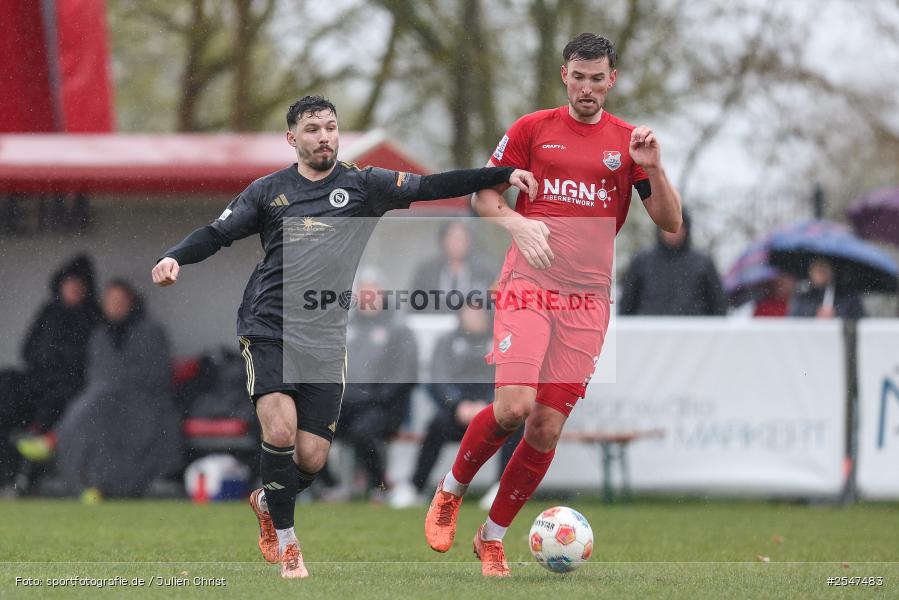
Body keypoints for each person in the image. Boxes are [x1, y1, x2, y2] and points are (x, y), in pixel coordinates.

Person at [150, 95, 538, 579]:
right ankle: (290, 547)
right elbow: (217, 232)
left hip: (326, 336)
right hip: (268, 326)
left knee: (311, 458)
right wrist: (175, 258)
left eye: (330, 127)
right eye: (312, 129)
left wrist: (495, 175)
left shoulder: (363, 184)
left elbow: (435, 185)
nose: (324, 137)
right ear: (292, 139)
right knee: (280, 432)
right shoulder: (269, 191)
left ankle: (268, 502)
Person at [423, 33, 682, 577]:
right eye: (578, 76)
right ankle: (450, 490)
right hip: (528, 287)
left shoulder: (627, 143)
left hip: (587, 303)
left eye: (597, 78)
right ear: (564, 74)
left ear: (612, 79)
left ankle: (491, 537)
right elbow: (484, 196)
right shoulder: (531, 129)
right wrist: (518, 222)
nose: (587, 87)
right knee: (514, 406)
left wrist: (654, 169)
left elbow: (670, 223)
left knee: (543, 428)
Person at [16, 280, 181, 498]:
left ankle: (53, 440)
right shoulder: (99, 336)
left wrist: (116, 386)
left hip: (144, 404)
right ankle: (92, 486)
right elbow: (96, 374)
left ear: (131, 303)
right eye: (110, 301)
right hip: (104, 405)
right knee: (96, 421)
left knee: (97, 406)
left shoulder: (149, 332)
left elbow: (157, 375)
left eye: (120, 301)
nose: (114, 306)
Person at [388, 305, 523, 509]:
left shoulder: (501, 342)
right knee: (436, 425)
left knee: (515, 424)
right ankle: (415, 486)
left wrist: (487, 405)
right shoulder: (447, 342)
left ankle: (501, 488)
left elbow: (507, 377)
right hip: (456, 414)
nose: (474, 317)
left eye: (479, 312)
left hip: (493, 411)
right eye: (469, 311)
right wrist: (458, 404)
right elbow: (438, 378)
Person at [0, 254, 100, 492]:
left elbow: (88, 362)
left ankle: (27, 479)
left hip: (69, 391)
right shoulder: (48, 312)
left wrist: (58, 362)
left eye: (79, 285)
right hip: (37, 385)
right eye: (69, 284)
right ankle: (7, 473)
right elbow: (28, 351)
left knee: (53, 411)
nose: (73, 290)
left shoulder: (93, 317)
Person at [329, 272, 418, 500]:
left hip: (384, 406)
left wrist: (373, 397)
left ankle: (377, 485)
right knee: (313, 427)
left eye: (373, 292)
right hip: (347, 405)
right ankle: (330, 485)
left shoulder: (398, 329)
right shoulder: (345, 326)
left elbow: (405, 375)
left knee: (364, 431)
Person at [618, 207, 727, 316]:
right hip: (649, 330)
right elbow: (626, 305)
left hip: (693, 331)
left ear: (686, 229)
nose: (673, 231)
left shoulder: (703, 263)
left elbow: (719, 305)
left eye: (678, 226)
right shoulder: (641, 262)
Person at [409, 221, 495, 312]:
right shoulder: (427, 271)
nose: (458, 243)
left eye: (462, 238)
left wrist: (480, 314)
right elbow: (416, 304)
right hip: (435, 323)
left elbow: (497, 304)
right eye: (454, 238)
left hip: (471, 325)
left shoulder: (484, 271)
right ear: (443, 241)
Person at [788, 258, 864, 319]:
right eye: (817, 267)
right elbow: (793, 321)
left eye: (824, 267)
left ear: (832, 270)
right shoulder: (801, 296)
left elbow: (859, 319)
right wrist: (814, 313)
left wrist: (836, 314)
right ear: (810, 271)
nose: (820, 271)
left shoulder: (847, 296)